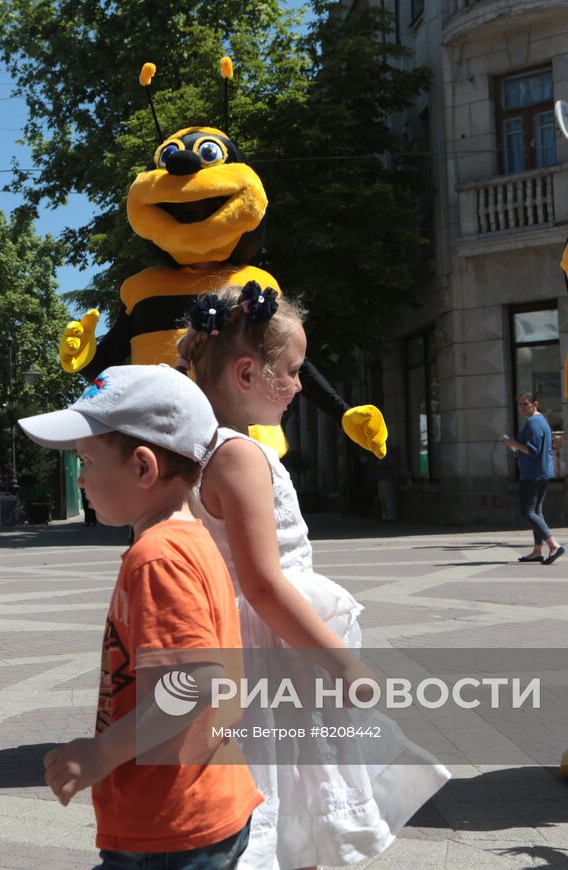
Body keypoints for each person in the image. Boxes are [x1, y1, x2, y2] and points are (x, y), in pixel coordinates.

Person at [177, 286, 449, 869]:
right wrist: (341, 661)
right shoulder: (240, 456)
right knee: (288, 790)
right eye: (294, 371)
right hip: (273, 654)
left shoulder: (194, 448)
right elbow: (265, 584)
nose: (301, 386)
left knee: (278, 793)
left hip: (233, 644)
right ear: (248, 372)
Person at [18, 364, 262, 870]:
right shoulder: (190, 540)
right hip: (194, 812)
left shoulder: (159, 557)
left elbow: (193, 685)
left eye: (86, 459)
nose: (79, 477)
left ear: (144, 468)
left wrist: (102, 754)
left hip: (169, 828)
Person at [501, 393, 565, 565]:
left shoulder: (533, 423)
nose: (522, 407)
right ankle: (538, 551)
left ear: (535, 403)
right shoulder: (543, 422)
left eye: (526, 404)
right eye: (520, 404)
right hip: (543, 472)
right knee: (536, 511)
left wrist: (512, 443)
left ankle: (554, 544)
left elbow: (533, 450)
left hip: (533, 474)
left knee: (527, 511)